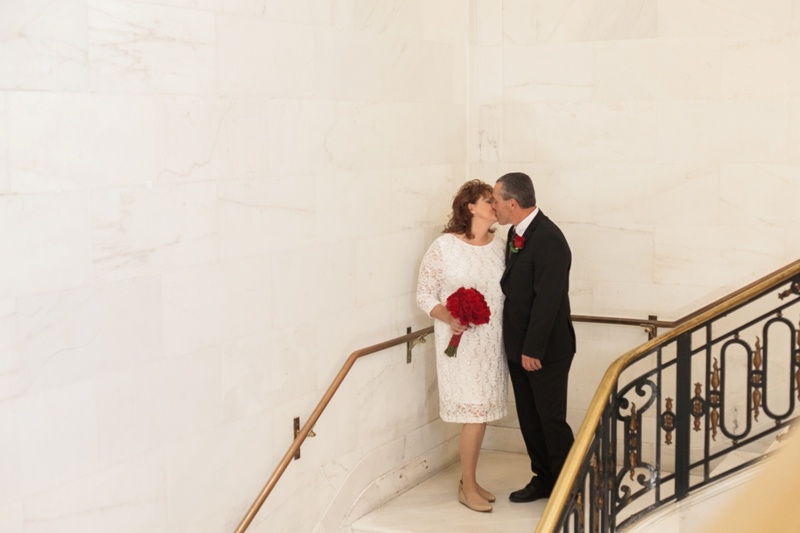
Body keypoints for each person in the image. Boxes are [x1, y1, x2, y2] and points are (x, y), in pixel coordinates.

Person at [416, 179, 509, 513]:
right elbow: (425, 293)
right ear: (470, 207)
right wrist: (449, 316)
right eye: (489, 200)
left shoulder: (501, 246)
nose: (495, 206)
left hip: (490, 343)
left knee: (481, 414)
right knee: (473, 413)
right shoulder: (444, 247)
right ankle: (466, 486)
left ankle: (469, 481)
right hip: (459, 343)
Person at [491, 172, 576, 503]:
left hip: (545, 351)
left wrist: (532, 349)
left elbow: (548, 301)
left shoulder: (550, 239)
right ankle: (544, 477)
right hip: (519, 348)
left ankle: (569, 483)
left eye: (496, 201)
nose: (493, 207)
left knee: (551, 420)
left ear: (512, 203)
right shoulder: (516, 232)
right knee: (529, 419)